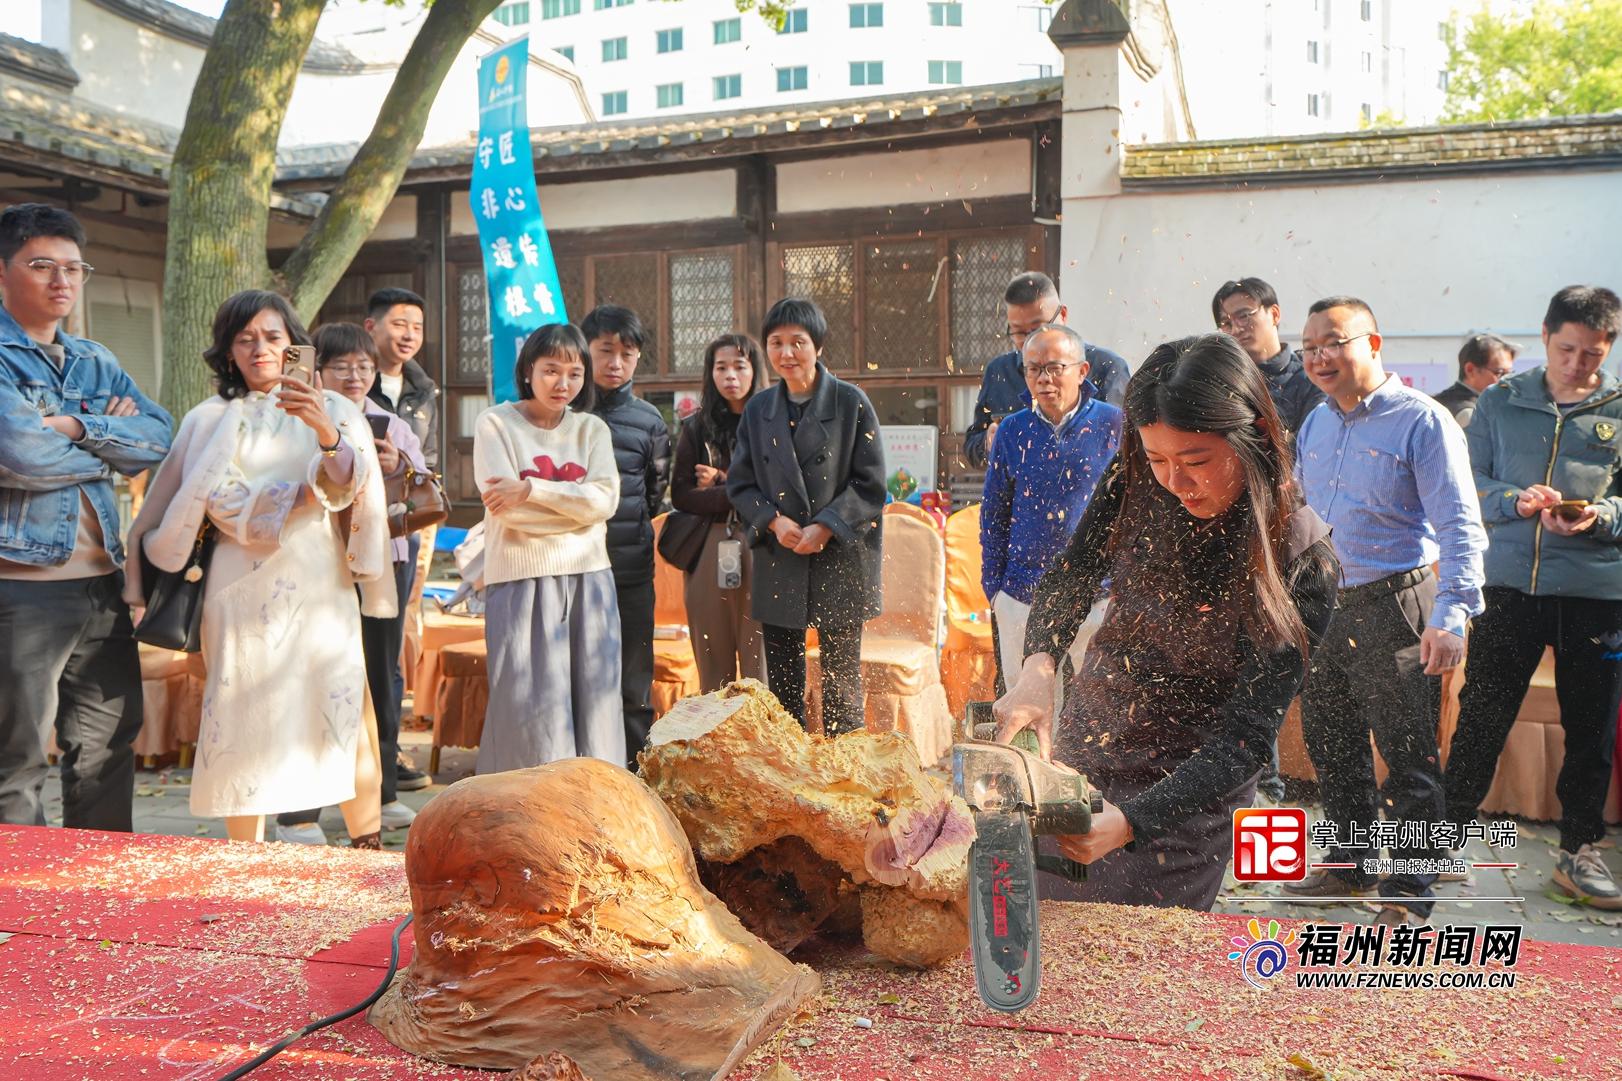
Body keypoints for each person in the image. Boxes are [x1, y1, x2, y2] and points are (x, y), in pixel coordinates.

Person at [993, 334, 1338, 911]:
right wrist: (1039, 665)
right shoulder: (1133, 480)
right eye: (1157, 460)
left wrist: (1132, 821)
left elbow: (1245, 741)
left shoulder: (1303, 559)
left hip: (1187, 790)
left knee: (1145, 962)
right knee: (1046, 926)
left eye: (1196, 462)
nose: (1174, 483)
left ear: (1250, 430)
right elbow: (1073, 574)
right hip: (1093, 737)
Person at [125, 290, 388, 846]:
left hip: (320, 581)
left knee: (341, 702)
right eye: (245, 340)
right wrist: (307, 495)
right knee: (242, 709)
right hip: (239, 586)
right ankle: (245, 852)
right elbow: (217, 500)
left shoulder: (336, 409)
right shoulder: (211, 418)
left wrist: (324, 431)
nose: (260, 349)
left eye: (272, 337)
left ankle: (367, 843)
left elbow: (355, 487)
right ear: (227, 353)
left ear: (297, 344)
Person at [1286, 296, 1486, 924]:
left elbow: (1459, 523)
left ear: (1372, 343)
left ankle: (1406, 892)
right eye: (1310, 346)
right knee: (1332, 745)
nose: (1320, 357)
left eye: (1334, 342)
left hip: (1396, 604)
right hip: (1323, 607)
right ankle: (1350, 867)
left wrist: (1452, 613)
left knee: (1407, 756)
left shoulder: (1421, 421)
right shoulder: (1316, 423)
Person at [1445, 286, 1622, 910]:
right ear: (1545, 335)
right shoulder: (1500, 401)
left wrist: (1601, 516)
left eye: (1593, 353)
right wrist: (1514, 501)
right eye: (1567, 348)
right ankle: (1444, 839)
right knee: (1482, 714)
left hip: (1598, 597)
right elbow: (1470, 481)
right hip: (1510, 588)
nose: (1578, 363)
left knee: (1591, 725)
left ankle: (1580, 849)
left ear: (1610, 346)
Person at [0, 203, 173, 831]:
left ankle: (94, 891)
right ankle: (19, 904)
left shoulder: (95, 359)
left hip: (102, 584)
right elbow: (19, 455)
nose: (61, 281)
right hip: (19, 586)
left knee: (105, 749)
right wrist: (108, 446)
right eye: (42, 265)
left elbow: (159, 436)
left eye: (74, 268)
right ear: (2, 272)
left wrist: (74, 426)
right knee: (15, 758)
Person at [276, 323, 427, 844]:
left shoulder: (391, 423)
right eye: (343, 366)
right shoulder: (294, 420)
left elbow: (425, 485)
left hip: (385, 560)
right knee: (316, 677)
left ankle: (379, 793)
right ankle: (302, 809)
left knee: (380, 678)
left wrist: (398, 465)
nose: (356, 375)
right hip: (318, 564)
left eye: (365, 367)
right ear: (318, 371)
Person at [728, 297, 885, 736]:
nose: (787, 353)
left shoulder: (851, 403)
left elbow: (871, 485)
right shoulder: (759, 410)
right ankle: (792, 781)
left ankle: (849, 779)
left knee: (841, 689)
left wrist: (827, 526)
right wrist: (773, 521)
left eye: (798, 342)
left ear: (817, 346)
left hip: (840, 557)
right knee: (783, 689)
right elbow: (740, 484)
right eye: (776, 343)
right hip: (781, 557)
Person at [472, 323, 623, 772]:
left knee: (597, 707)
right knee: (528, 711)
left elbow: (606, 501)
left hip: (591, 578)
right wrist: (574, 509)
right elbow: (507, 511)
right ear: (528, 371)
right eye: (551, 370)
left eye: (574, 373)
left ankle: (599, 810)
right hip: (519, 580)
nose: (563, 383)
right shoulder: (495, 423)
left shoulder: (592, 429)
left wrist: (532, 490)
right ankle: (526, 818)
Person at [980, 324, 1122, 692]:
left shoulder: (1114, 425)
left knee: (1100, 712)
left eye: (1055, 367)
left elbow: (1132, 508)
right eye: (1033, 369)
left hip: (1099, 598)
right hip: (1022, 595)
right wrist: (995, 590)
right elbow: (994, 513)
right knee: (1029, 709)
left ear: (1082, 370)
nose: (1044, 379)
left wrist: (1124, 583)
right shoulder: (1013, 430)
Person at [583, 305, 670, 761]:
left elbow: (655, 494)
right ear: (587, 351)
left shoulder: (650, 421)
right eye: (605, 351)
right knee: (581, 676)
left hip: (631, 567)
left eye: (628, 354)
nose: (616, 363)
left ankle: (636, 772)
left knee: (634, 679)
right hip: (574, 567)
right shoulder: (566, 414)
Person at [364, 287, 436, 792]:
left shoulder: (422, 389)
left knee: (394, 644)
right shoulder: (347, 382)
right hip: (352, 531)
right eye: (398, 323)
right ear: (372, 328)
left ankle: (387, 759)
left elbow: (424, 461)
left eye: (416, 325)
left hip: (403, 533)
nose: (409, 334)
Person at [671, 333, 769, 691]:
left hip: (763, 541)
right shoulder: (697, 427)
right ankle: (716, 741)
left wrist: (721, 481)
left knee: (761, 654)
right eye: (721, 367)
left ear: (754, 370)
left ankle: (763, 743)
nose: (730, 375)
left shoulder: (772, 422)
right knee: (712, 655)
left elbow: (776, 490)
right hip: (710, 543)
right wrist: (742, 489)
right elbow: (681, 495)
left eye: (739, 366)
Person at [963, 272, 1130, 469]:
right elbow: (972, 448)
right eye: (1018, 332)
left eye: (1038, 328)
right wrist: (988, 442)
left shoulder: (1107, 367)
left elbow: (1123, 444)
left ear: (1063, 315)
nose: (1029, 340)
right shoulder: (999, 371)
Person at [1211, 277, 1325, 435]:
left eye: (1244, 316)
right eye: (1227, 324)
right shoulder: (1219, 384)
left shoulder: (1313, 379)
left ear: (1274, 314)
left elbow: (1308, 449)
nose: (1236, 329)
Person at [1433, 333, 1518, 427]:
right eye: (1499, 373)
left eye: (1510, 373)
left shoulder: (1435, 402)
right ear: (1470, 370)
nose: (1506, 380)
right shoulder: (1469, 414)